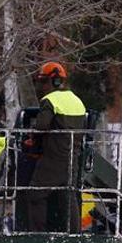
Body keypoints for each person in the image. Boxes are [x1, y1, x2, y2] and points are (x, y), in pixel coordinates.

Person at [26, 61, 87, 232]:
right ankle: (75, 235)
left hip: (53, 158)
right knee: (67, 195)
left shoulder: (50, 100)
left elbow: (41, 127)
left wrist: (32, 143)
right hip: (72, 158)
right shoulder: (77, 101)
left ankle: (38, 236)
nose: (40, 86)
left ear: (53, 82)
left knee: (35, 193)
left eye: (42, 82)